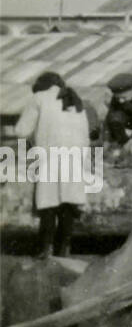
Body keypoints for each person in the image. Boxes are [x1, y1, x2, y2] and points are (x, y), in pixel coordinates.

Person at [15, 71, 90, 258]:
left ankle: (45, 249)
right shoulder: (75, 100)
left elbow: (21, 130)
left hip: (51, 156)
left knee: (48, 203)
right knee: (68, 204)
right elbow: (86, 135)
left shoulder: (39, 98)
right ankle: (64, 249)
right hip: (76, 157)